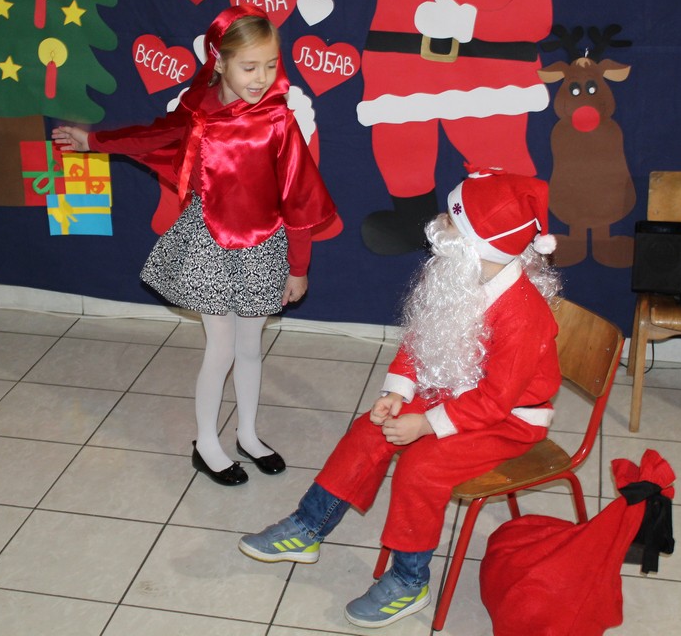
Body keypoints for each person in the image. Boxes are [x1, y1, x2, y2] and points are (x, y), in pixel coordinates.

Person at [239, 168, 560, 629]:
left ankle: (410, 581)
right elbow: (423, 340)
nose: (439, 224)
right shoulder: (458, 273)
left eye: (452, 221)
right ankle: (308, 527)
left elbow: (495, 401)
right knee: (372, 429)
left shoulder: (523, 315)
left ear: (480, 243)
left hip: (509, 418)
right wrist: (398, 391)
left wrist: (426, 423)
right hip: (456, 390)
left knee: (421, 467)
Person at [52, 5, 336, 486]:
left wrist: (298, 266)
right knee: (220, 348)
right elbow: (152, 137)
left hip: (263, 247)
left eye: (271, 66)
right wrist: (94, 140)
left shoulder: (279, 122)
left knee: (250, 347)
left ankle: (248, 434)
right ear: (219, 61)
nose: (261, 78)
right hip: (208, 243)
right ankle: (207, 443)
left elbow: (300, 199)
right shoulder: (198, 110)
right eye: (250, 66)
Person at [276, 0, 553, 255]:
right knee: (401, 151)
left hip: (487, 79)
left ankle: (512, 226)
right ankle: (414, 224)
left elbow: (536, 18)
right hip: (404, 76)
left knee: (497, 151)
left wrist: (470, 22)